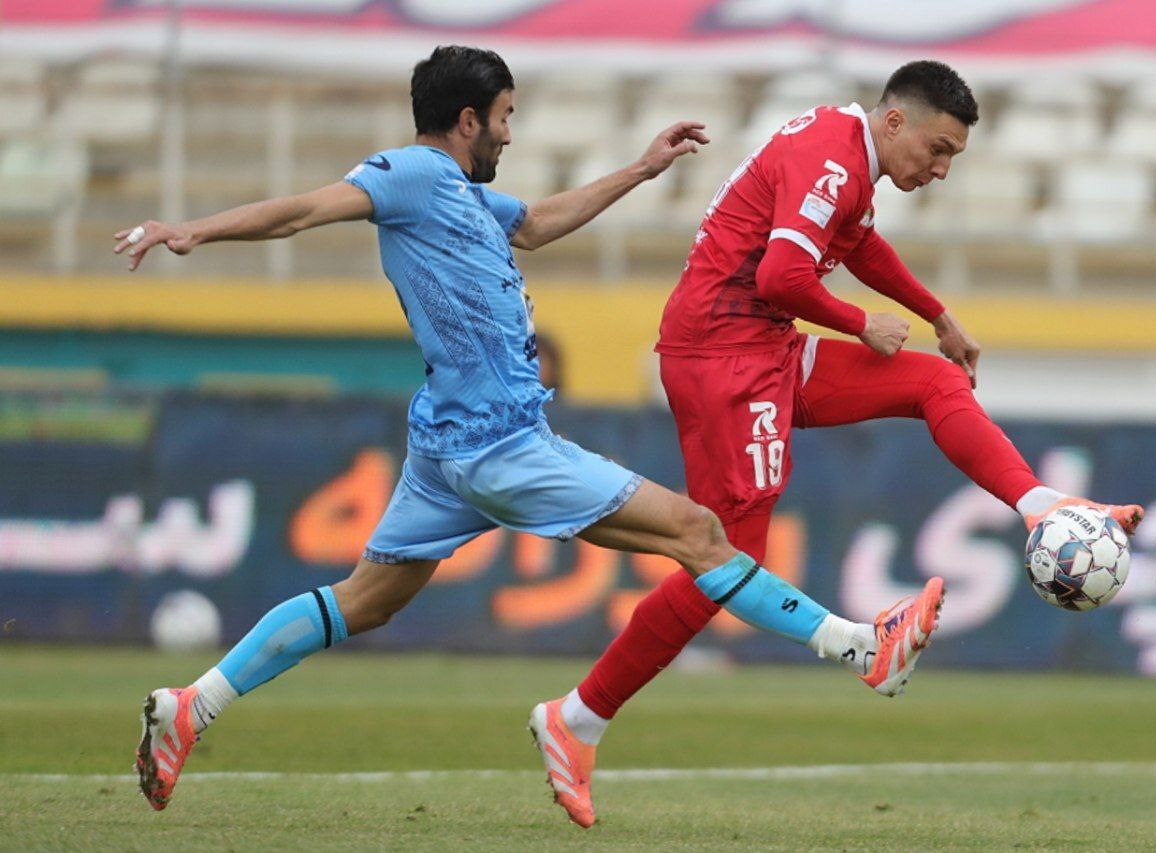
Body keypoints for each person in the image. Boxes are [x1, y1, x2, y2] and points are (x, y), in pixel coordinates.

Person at [118, 46, 945, 817]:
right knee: (698, 532)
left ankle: (194, 704)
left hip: (446, 445)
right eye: (505, 117)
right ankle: (858, 647)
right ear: (467, 120)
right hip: (500, 445)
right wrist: (194, 230)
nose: (510, 135)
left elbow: (538, 223)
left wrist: (640, 169)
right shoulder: (410, 174)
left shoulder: (463, 195)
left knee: (364, 601)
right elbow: (306, 209)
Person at [533, 60, 1146, 827]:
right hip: (722, 354)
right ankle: (579, 717)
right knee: (728, 553)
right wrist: (861, 323)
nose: (942, 169)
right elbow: (782, 275)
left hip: (760, 345)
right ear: (894, 122)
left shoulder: (848, 156)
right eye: (939, 149)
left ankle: (1041, 506)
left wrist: (937, 314)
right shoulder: (832, 156)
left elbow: (858, 245)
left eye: (954, 157)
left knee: (932, 382)